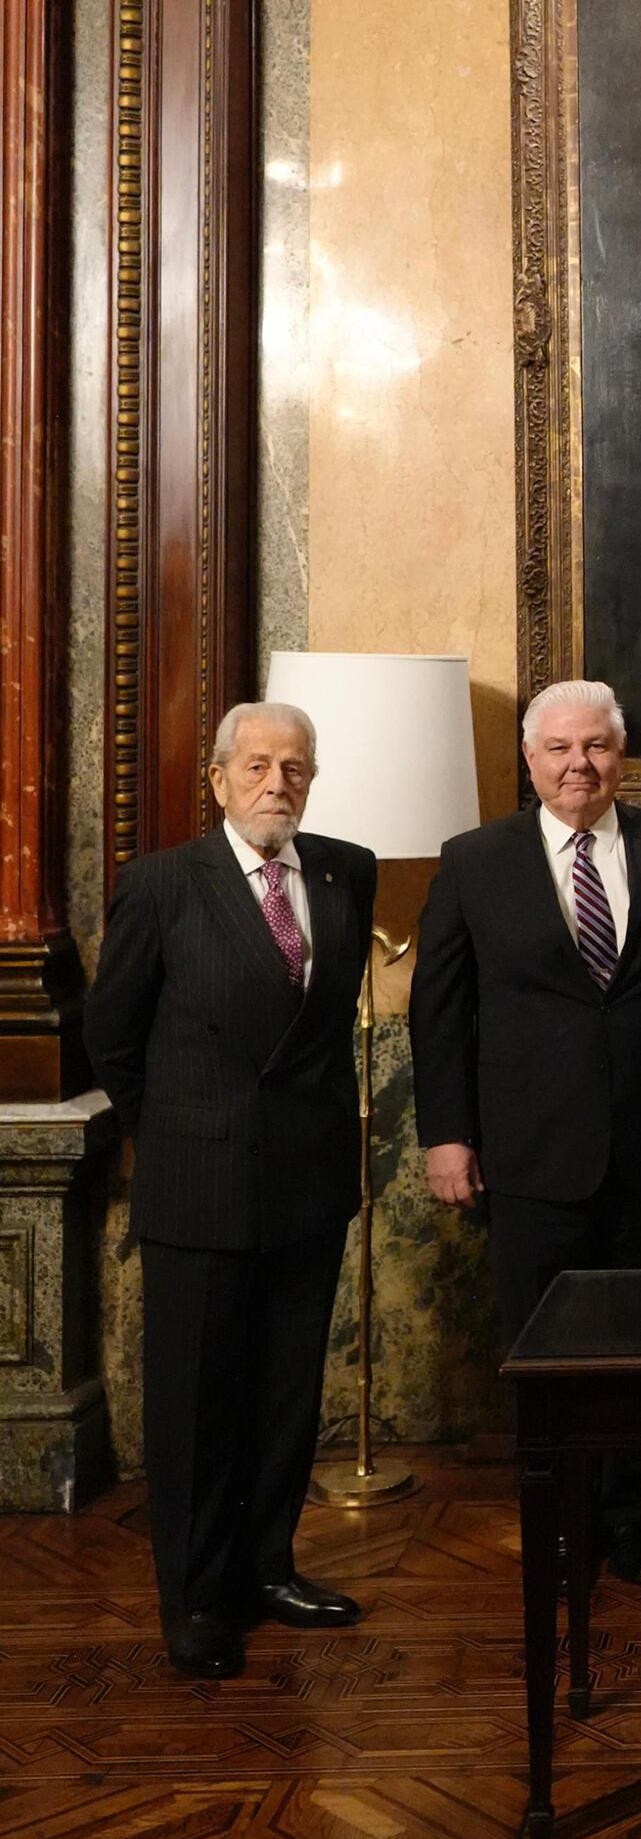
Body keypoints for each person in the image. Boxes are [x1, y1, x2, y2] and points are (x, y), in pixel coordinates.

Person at [83, 702, 377, 1679]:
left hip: (309, 1182)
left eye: (295, 767)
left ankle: (267, 1568)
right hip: (200, 1185)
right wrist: (175, 1131)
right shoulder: (164, 884)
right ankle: (199, 1597)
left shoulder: (345, 869)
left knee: (288, 1399)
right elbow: (113, 1035)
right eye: (256, 766)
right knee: (198, 1406)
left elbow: (328, 1031)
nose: (276, 784)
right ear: (218, 780)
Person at [410, 677, 641, 1585]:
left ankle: (627, 1517)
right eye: (560, 747)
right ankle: (557, 1517)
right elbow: (440, 1011)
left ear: (620, 757)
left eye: (596, 746)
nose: (579, 763)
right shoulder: (474, 859)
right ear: (530, 757)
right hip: (529, 1152)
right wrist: (446, 1135)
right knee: (543, 1350)